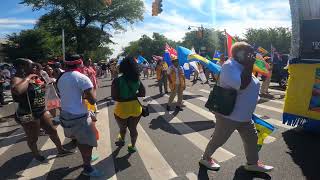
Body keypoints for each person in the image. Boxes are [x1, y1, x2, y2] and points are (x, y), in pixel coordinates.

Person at [199, 42, 274, 173]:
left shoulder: (244, 65)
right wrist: (250, 64)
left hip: (245, 115)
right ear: (239, 54)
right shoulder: (230, 66)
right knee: (219, 139)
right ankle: (205, 158)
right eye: (249, 52)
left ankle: (252, 163)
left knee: (252, 139)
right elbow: (241, 85)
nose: (253, 55)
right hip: (229, 115)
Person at [11, 58, 72, 162]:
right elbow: (17, 90)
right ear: (22, 67)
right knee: (33, 137)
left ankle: (60, 149)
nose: (35, 67)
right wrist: (28, 78)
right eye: (31, 65)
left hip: (41, 109)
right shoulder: (17, 78)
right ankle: (36, 154)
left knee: (52, 130)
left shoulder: (35, 76)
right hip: (27, 113)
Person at [57, 54, 102, 177]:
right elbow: (92, 100)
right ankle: (87, 168)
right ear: (80, 63)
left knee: (78, 138)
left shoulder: (61, 77)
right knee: (86, 142)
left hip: (66, 114)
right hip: (79, 116)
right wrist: (87, 92)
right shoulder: (82, 78)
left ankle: (87, 158)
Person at [111, 57, 146, 153]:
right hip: (135, 107)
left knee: (122, 128)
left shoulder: (117, 81)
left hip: (122, 109)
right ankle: (132, 146)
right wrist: (133, 96)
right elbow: (143, 93)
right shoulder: (137, 79)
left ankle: (121, 140)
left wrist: (125, 97)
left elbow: (114, 97)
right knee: (133, 129)